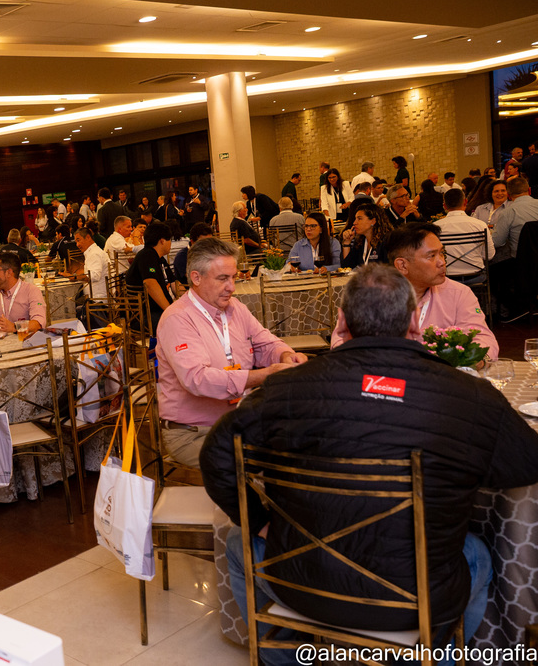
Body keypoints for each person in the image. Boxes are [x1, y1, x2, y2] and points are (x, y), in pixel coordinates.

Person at [202, 264, 538, 666]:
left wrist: (259, 521)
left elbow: (215, 456)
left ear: (342, 322)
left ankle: (284, 657)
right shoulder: (469, 395)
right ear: (414, 323)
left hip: (298, 582)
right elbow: (525, 465)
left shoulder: (285, 388)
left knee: (237, 542)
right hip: (415, 600)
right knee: (477, 552)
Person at [154, 237, 304, 467]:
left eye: (233, 277)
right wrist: (265, 375)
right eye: (223, 278)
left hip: (237, 421)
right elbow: (197, 379)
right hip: (194, 433)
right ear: (196, 277)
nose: (232, 287)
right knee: (267, 465)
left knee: (301, 441)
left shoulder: (235, 308)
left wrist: (285, 355)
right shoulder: (178, 319)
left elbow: (265, 343)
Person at [331, 223, 498, 359]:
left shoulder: (458, 293)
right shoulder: (371, 295)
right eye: (431, 256)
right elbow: (341, 342)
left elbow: (484, 338)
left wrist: (476, 360)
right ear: (402, 265)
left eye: (442, 253)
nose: (442, 262)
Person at [489, 176, 538, 321]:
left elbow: (497, 242)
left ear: (509, 195)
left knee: (493, 271)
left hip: (523, 264)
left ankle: (514, 310)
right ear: (529, 190)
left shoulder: (509, 212)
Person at [0, 252, 45, 335]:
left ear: (9, 272)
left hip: (23, 340)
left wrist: (14, 327)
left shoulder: (31, 291)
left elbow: (38, 324)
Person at [125, 221, 177, 331]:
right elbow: (150, 284)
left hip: (159, 311)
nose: (171, 244)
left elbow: (174, 284)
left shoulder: (160, 258)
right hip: (145, 317)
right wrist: (170, 311)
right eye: (169, 240)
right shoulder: (146, 256)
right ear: (162, 241)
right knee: (181, 325)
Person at [436, 189, 494, 284]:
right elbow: (489, 255)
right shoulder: (480, 225)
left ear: (445, 206)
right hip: (476, 276)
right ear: (465, 202)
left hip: (447, 278)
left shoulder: (436, 227)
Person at [62, 227, 108, 300]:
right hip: (94, 296)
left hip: (97, 299)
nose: (77, 245)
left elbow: (94, 276)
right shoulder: (92, 252)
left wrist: (75, 277)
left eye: (78, 240)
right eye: (76, 242)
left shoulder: (94, 254)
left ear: (88, 237)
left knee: (67, 300)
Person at [340, 203, 391, 268]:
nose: (354, 223)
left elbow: (390, 269)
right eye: (355, 219)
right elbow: (347, 267)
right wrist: (347, 243)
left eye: (359, 219)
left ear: (373, 221)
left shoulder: (387, 241)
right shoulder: (360, 242)